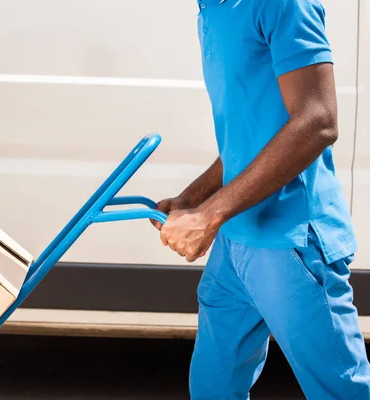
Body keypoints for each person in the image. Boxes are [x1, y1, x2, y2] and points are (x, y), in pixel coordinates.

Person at [153, 0, 370, 398]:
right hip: (236, 242)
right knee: (213, 385)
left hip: (290, 242)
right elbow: (251, 135)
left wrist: (210, 215)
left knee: (340, 390)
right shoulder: (211, 9)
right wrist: (192, 199)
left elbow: (318, 119)